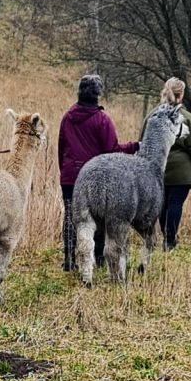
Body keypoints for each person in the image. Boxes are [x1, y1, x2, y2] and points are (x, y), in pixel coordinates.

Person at [56, 73, 139, 271]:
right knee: (99, 217)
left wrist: (65, 173)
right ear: (98, 94)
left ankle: (69, 258)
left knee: (70, 216)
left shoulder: (67, 117)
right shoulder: (102, 120)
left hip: (70, 176)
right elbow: (112, 150)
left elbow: (61, 148)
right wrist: (135, 146)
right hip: (95, 178)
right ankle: (99, 259)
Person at [156, 78, 191, 249]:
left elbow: (143, 140)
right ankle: (170, 239)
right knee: (175, 203)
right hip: (182, 171)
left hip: (158, 168)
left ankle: (167, 237)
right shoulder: (187, 118)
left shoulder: (153, 116)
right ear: (182, 95)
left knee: (163, 203)